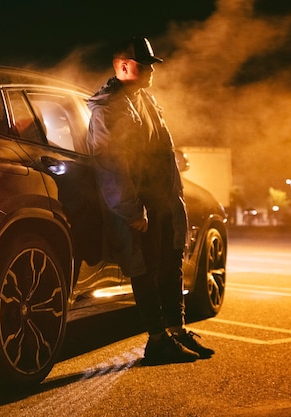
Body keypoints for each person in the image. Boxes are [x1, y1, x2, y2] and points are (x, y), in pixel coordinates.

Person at [86, 36, 214, 364]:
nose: (152, 72)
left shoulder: (144, 99)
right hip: (140, 207)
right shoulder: (108, 107)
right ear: (125, 66)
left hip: (164, 202)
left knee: (170, 266)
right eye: (145, 65)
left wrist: (173, 198)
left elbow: (161, 152)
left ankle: (176, 332)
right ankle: (157, 341)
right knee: (145, 271)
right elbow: (109, 164)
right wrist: (130, 209)